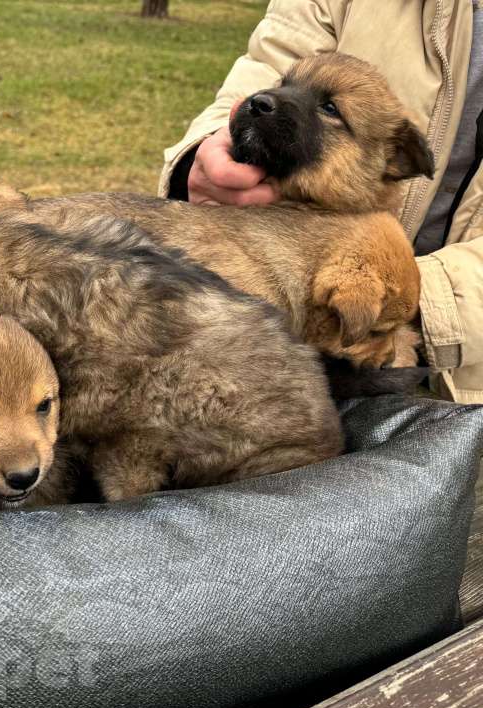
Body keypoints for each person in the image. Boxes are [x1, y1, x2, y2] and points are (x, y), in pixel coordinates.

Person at [158, 0, 483, 405]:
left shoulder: (385, 169)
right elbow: (268, 60)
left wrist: (392, 306)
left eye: (329, 110)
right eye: (288, 85)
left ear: (396, 160)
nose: (268, 100)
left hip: (448, 374)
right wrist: (202, 155)